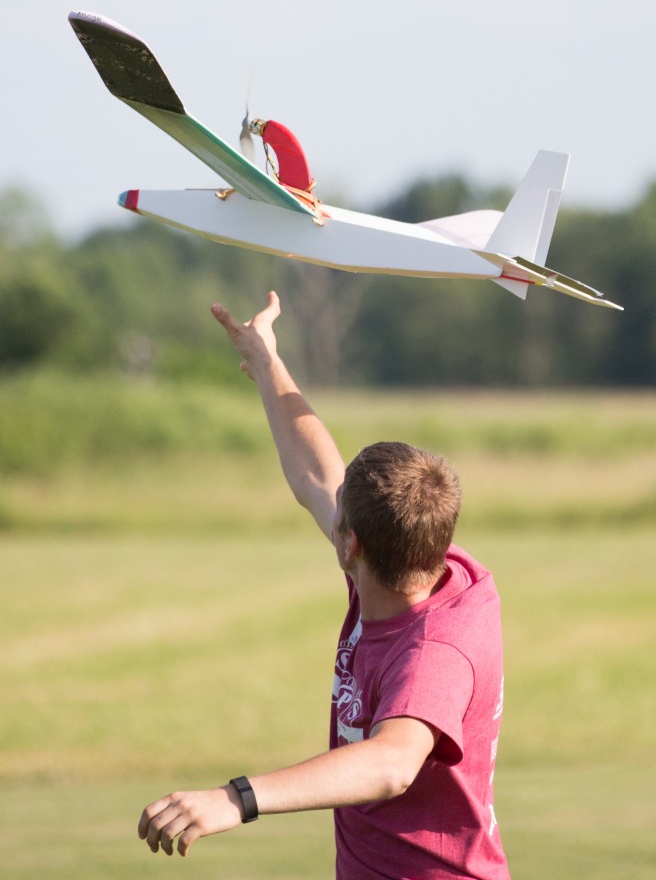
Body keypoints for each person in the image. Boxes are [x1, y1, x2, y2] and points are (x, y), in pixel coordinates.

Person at [138, 292, 510, 879]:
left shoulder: (435, 650)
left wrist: (235, 799)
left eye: (338, 516)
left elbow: (392, 763)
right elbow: (317, 472)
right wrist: (266, 360)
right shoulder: (419, 561)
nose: (326, 509)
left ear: (350, 543)